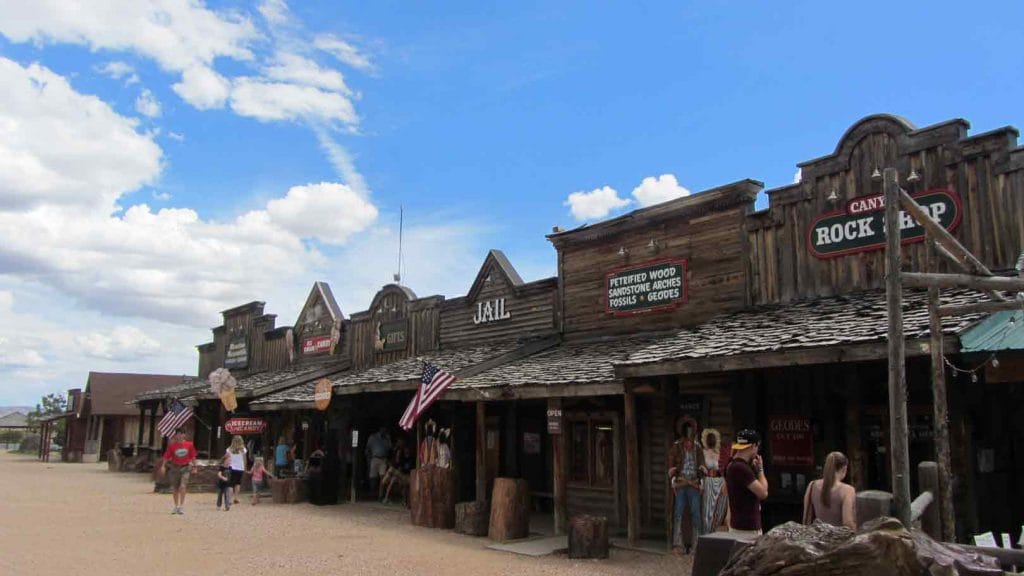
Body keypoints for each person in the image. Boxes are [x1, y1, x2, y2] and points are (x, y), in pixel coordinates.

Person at [668, 417, 705, 554]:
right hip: (681, 483)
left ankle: (697, 544)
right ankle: (678, 544)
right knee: (678, 513)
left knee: (696, 513)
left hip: (694, 483)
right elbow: (671, 465)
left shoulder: (698, 448)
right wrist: (673, 476)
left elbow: (702, 464)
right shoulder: (676, 446)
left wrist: (701, 474)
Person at [725, 428, 768, 536]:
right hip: (747, 528)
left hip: (737, 525)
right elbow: (763, 493)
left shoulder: (731, 465)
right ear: (753, 446)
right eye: (757, 447)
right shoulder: (741, 468)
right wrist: (760, 470)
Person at [802, 451, 856, 529]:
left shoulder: (812, 485)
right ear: (844, 468)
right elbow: (847, 522)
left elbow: (806, 518)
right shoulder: (848, 490)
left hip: (817, 538)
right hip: (838, 539)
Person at [159, 428, 197, 515]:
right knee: (175, 488)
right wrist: (163, 466)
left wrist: (195, 467)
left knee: (183, 486)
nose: (179, 436)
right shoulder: (172, 446)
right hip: (175, 468)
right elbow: (166, 456)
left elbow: (193, 456)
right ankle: (176, 506)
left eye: (181, 434)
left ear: (184, 435)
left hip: (186, 467)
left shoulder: (189, 445)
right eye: (178, 434)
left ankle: (182, 506)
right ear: (176, 435)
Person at [701, 428, 729, 534]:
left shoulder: (721, 453)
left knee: (719, 509)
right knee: (707, 510)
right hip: (708, 482)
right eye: (709, 438)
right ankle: (706, 532)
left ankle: (714, 531)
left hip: (720, 482)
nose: (711, 440)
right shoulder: (703, 453)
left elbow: (725, 468)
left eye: (713, 438)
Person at [380, 437, 413, 504]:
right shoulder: (397, 451)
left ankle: (403, 500)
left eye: (400, 442)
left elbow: (403, 464)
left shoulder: (407, 455)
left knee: (395, 476)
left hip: (403, 473)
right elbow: (396, 461)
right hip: (397, 471)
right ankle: (386, 498)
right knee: (391, 482)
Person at [366, 426, 392, 495]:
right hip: (374, 458)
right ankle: (372, 492)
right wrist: (368, 458)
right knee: (373, 477)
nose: (384, 431)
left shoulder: (386, 438)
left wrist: (388, 439)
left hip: (383, 459)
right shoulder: (373, 437)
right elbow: (368, 448)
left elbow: (390, 448)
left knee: (382, 477)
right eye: (383, 429)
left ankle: (380, 494)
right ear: (380, 429)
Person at [225, 435, 247, 504]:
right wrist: (245, 467)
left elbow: (227, 458)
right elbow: (244, 459)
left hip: (232, 467)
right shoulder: (243, 450)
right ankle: (236, 498)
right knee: (238, 483)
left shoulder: (229, 449)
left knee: (231, 484)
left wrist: (225, 466)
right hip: (240, 468)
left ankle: (229, 500)